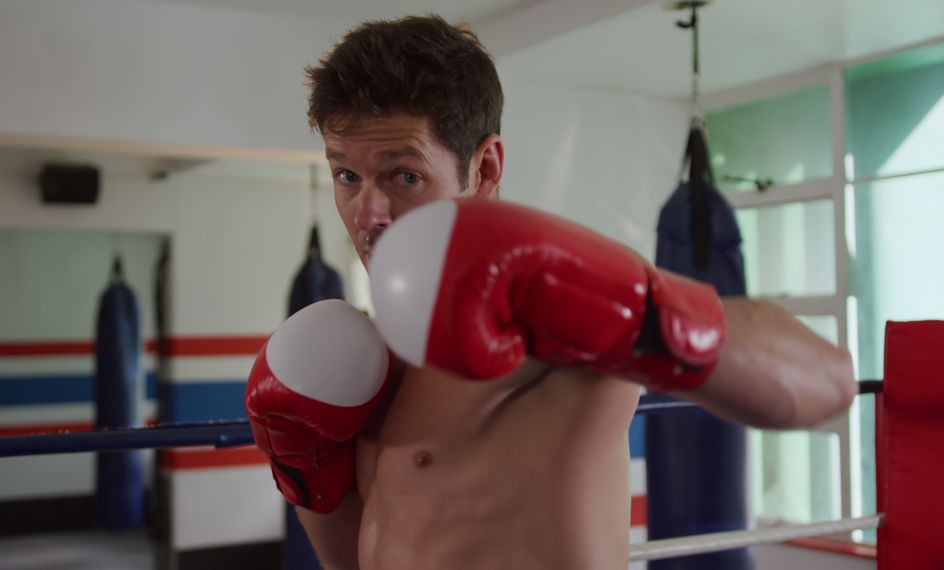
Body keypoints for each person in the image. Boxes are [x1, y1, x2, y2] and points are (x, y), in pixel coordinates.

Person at [245, 15, 856, 570]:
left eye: (404, 175)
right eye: (346, 175)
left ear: (484, 169)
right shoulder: (362, 359)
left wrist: (635, 312)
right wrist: (307, 478)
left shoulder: (544, 324)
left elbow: (827, 383)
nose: (367, 211)